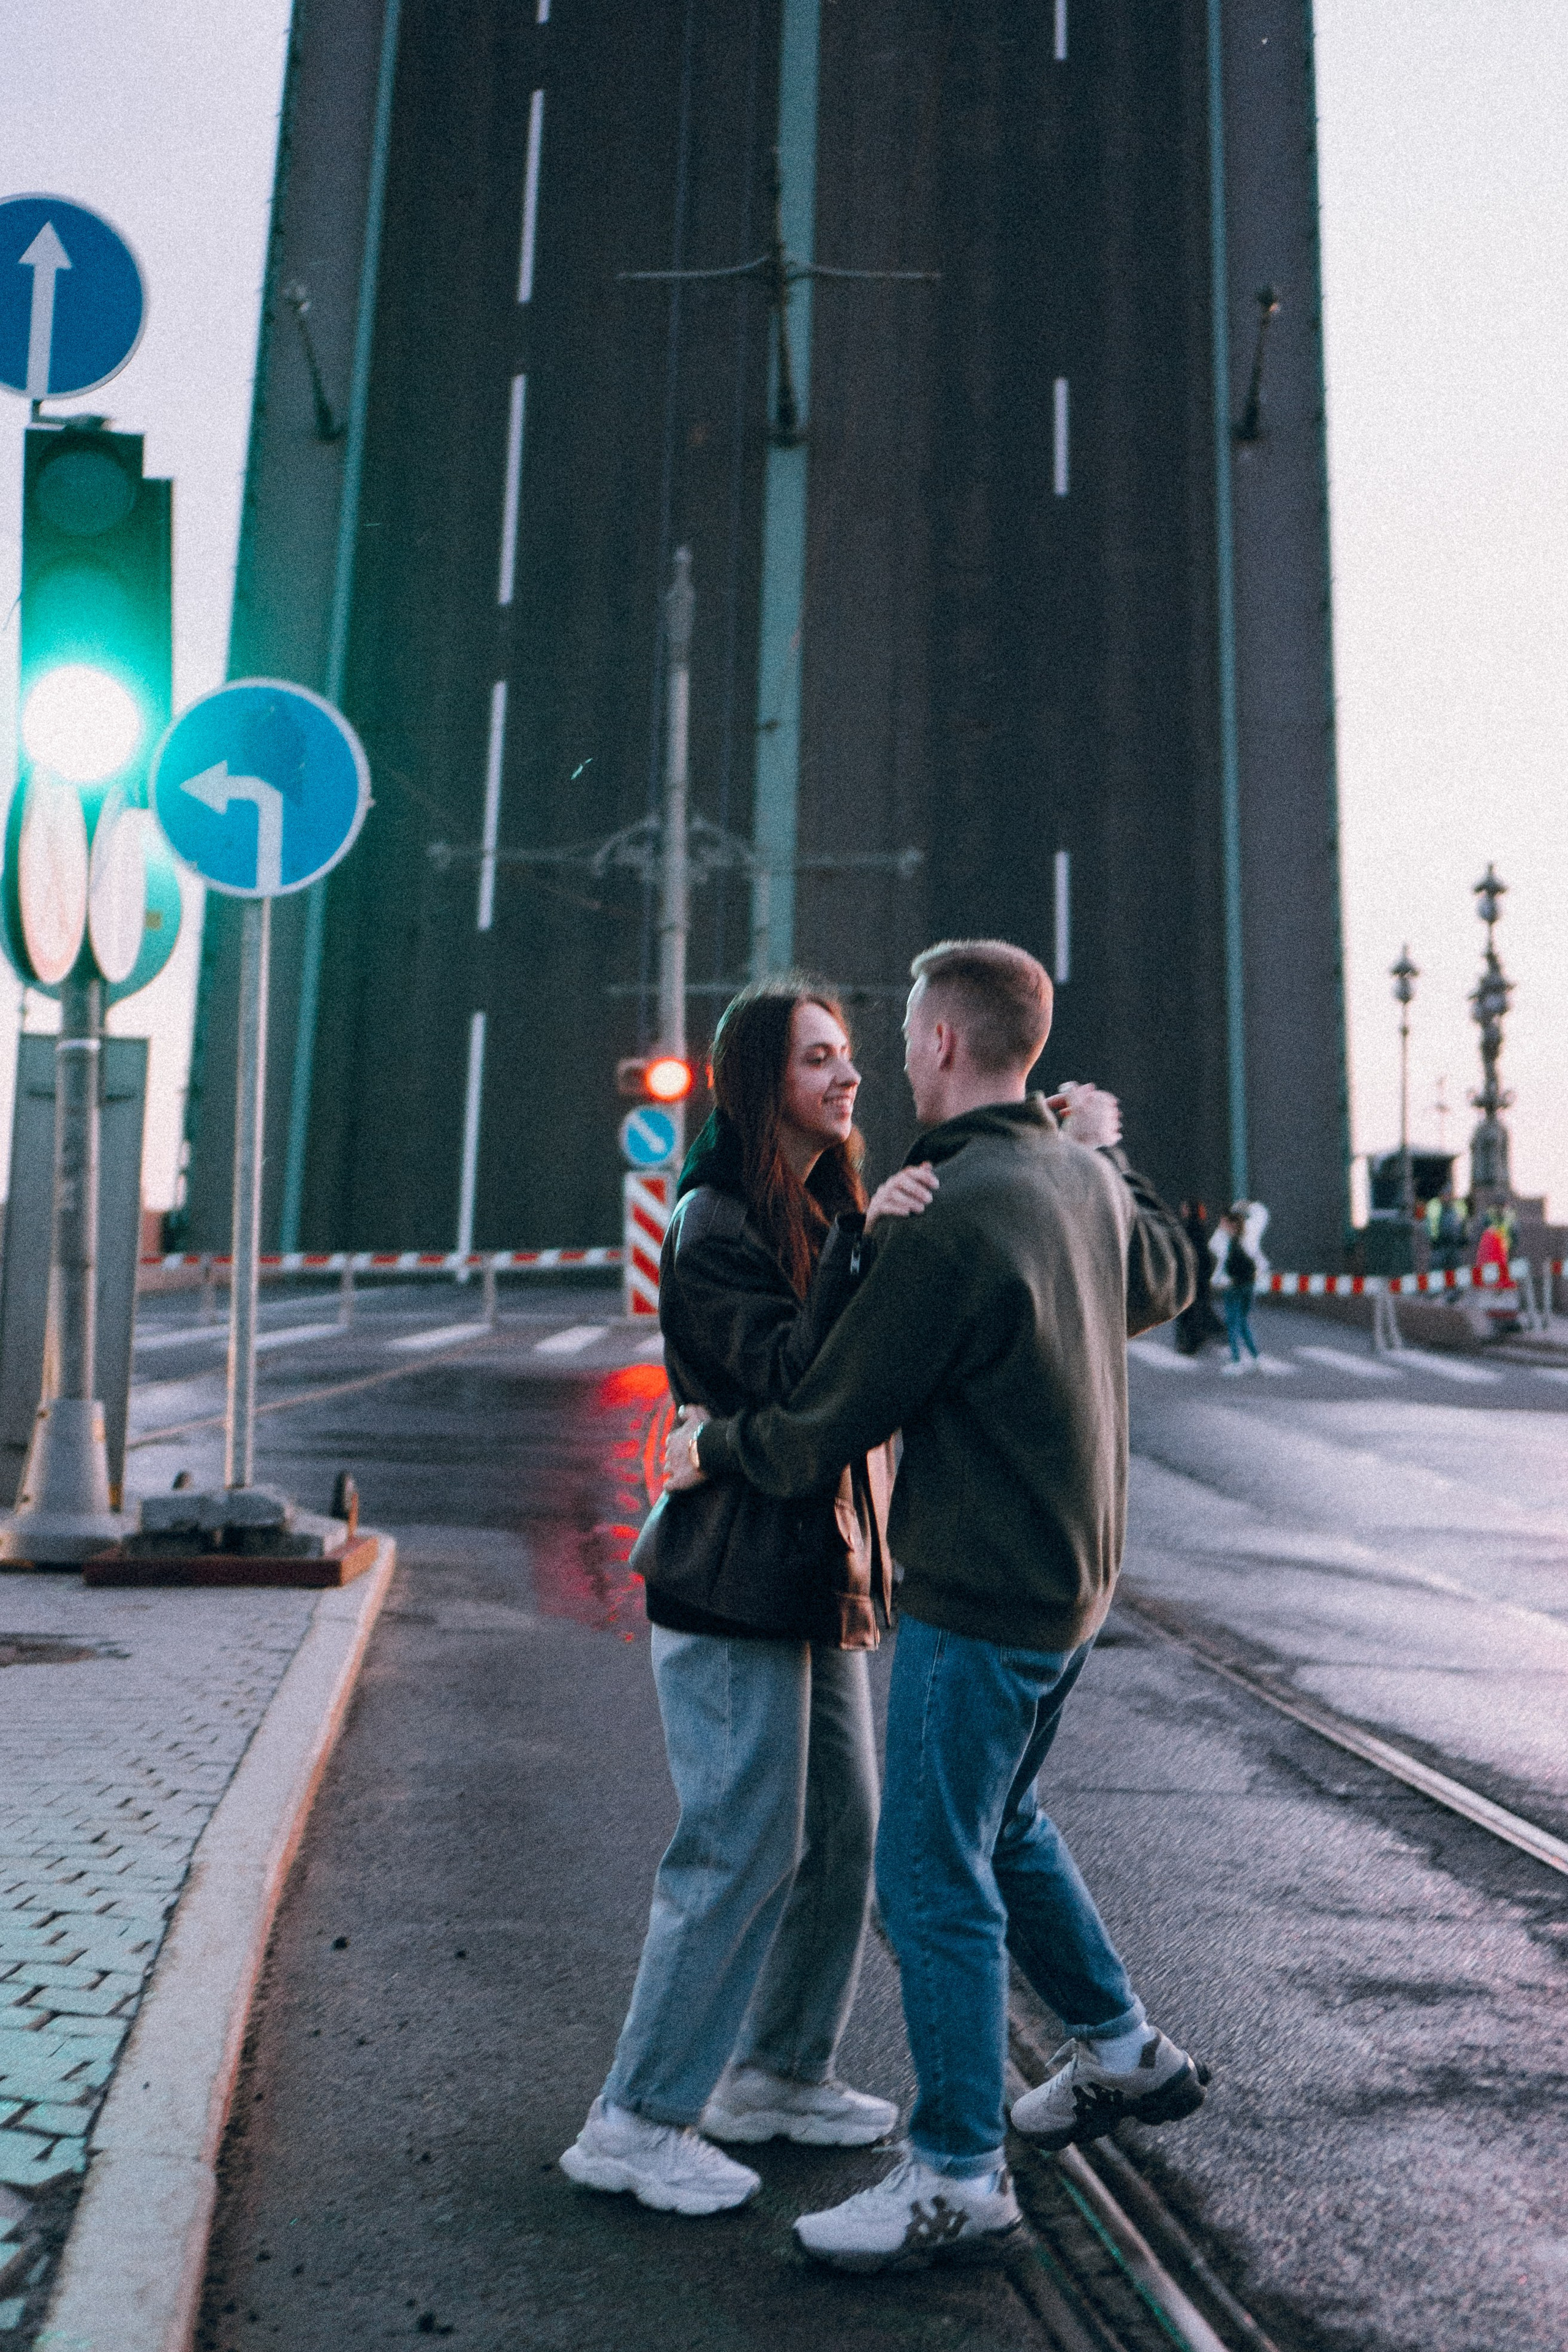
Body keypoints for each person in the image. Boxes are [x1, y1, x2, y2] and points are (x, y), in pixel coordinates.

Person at [664, 939, 1203, 2274]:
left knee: (930, 1874)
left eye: (899, 1037)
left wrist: (704, 1450)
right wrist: (1106, 1149)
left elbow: (816, 1423)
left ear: (945, 1047)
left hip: (980, 1597)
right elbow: (1167, 1273)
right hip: (1073, 1586)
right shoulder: (1072, 1174)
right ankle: (1120, 2046)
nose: (887, 1061)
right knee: (1001, 1819)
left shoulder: (953, 1210)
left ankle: (956, 2171)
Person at [560, 978, 939, 2218]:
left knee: (840, 1832)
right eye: (818, 1059)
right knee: (737, 1845)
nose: (847, 1078)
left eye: (847, 1057)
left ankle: (777, 2071)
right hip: (728, 1577)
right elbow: (784, 1374)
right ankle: (637, 2117)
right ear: (758, 1080)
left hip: (811, 1574)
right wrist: (858, 1248)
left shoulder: (813, 1206)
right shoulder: (717, 1220)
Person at [1218, 1204, 1260, 1374]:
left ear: (1231, 1225)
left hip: (1235, 1287)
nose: (1221, 1227)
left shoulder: (1233, 1244)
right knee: (1242, 1323)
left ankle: (1236, 1361)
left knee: (1233, 1324)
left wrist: (1228, 1280)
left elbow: (1232, 1266)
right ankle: (1255, 1358)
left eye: (1224, 1223)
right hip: (1248, 1286)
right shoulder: (1244, 1241)